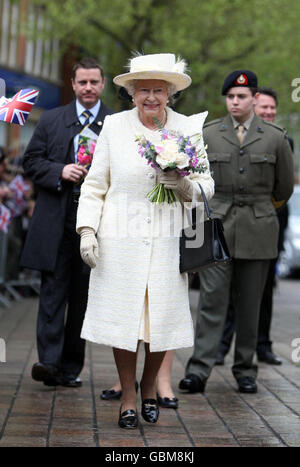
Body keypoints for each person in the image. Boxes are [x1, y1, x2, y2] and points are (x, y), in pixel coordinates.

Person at [76, 53, 214, 428]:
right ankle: (129, 394)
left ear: (169, 93)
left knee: (161, 320)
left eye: (158, 90)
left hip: (169, 237)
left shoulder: (187, 128)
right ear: (132, 93)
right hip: (120, 236)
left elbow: (207, 186)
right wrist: (87, 229)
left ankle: (150, 387)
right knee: (125, 317)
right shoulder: (114, 126)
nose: (151, 97)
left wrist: (185, 183)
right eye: (143, 90)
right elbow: (95, 184)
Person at [179, 70, 294, 395]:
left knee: (250, 304)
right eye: (230, 97)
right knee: (211, 301)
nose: (235, 102)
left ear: (254, 99)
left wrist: (260, 209)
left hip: (259, 230)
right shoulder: (209, 134)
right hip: (218, 227)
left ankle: (246, 370)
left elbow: (283, 187)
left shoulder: (275, 136)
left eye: (241, 97)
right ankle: (199, 369)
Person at [20, 57, 114, 388]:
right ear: (73, 85)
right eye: (82, 82)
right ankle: (48, 362)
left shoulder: (115, 124)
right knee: (52, 292)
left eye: (94, 82)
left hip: (96, 225)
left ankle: (70, 368)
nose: (88, 87)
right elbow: (29, 160)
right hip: (56, 219)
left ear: (103, 84)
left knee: (82, 296)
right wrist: (59, 170)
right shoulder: (51, 120)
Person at [216, 87, 294, 366]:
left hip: (268, 222)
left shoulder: (281, 139)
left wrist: (265, 211)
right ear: (254, 106)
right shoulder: (227, 134)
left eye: (273, 108)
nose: (270, 112)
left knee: (262, 289)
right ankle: (222, 345)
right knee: (227, 289)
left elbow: (283, 186)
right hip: (235, 221)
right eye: (265, 108)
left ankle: (262, 345)